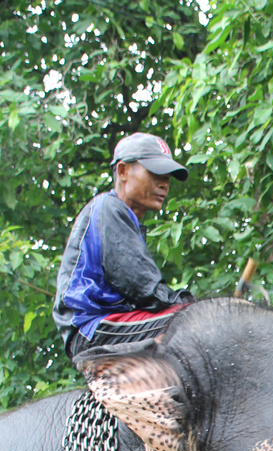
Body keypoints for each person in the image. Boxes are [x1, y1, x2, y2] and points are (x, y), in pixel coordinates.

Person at [53, 132, 194, 361]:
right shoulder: (109, 208)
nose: (164, 183)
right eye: (155, 173)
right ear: (122, 171)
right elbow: (145, 288)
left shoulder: (125, 218)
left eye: (167, 177)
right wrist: (200, 307)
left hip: (111, 324)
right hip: (93, 327)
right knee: (195, 321)